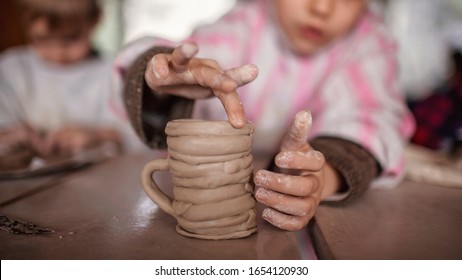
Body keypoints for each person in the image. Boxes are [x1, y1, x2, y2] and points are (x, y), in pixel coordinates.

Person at [115, 0, 415, 231]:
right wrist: (160, 79)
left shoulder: (368, 42)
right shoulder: (245, 23)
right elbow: (187, 60)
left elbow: (372, 117)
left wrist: (322, 175)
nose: (322, 8)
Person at [0, 0, 141, 162]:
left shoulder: (113, 73)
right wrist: (8, 134)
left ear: (96, 20)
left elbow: (137, 140)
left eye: (70, 39)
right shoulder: (11, 69)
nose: (57, 53)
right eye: (42, 39)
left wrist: (96, 136)